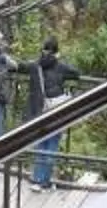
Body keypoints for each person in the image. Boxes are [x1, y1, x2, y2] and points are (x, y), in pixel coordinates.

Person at [28, 38, 74, 188]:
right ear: (56, 52)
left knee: (41, 143)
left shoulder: (36, 65)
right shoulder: (60, 66)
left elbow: (22, 67)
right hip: (55, 110)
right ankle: (44, 182)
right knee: (52, 144)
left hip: (40, 109)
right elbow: (76, 73)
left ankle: (36, 178)